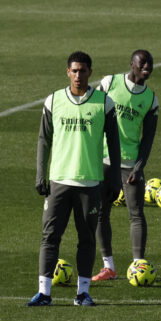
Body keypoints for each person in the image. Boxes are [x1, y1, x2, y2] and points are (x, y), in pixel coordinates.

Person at [28, 51, 121, 307]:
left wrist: (115, 179)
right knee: (50, 237)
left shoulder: (104, 103)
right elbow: (43, 140)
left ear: (90, 72)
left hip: (90, 183)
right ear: (67, 72)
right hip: (59, 181)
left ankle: (82, 293)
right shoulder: (54, 100)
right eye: (74, 70)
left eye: (83, 70)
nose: (78, 75)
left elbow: (114, 143)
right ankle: (44, 293)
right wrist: (41, 174)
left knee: (87, 239)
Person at [92, 50, 159, 281]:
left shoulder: (150, 99)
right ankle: (108, 266)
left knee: (136, 214)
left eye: (150, 64)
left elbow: (147, 138)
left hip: (130, 164)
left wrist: (138, 167)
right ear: (132, 64)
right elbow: (93, 111)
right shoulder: (109, 83)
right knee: (101, 212)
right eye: (142, 63)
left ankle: (138, 266)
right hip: (103, 159)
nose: (147, 67)